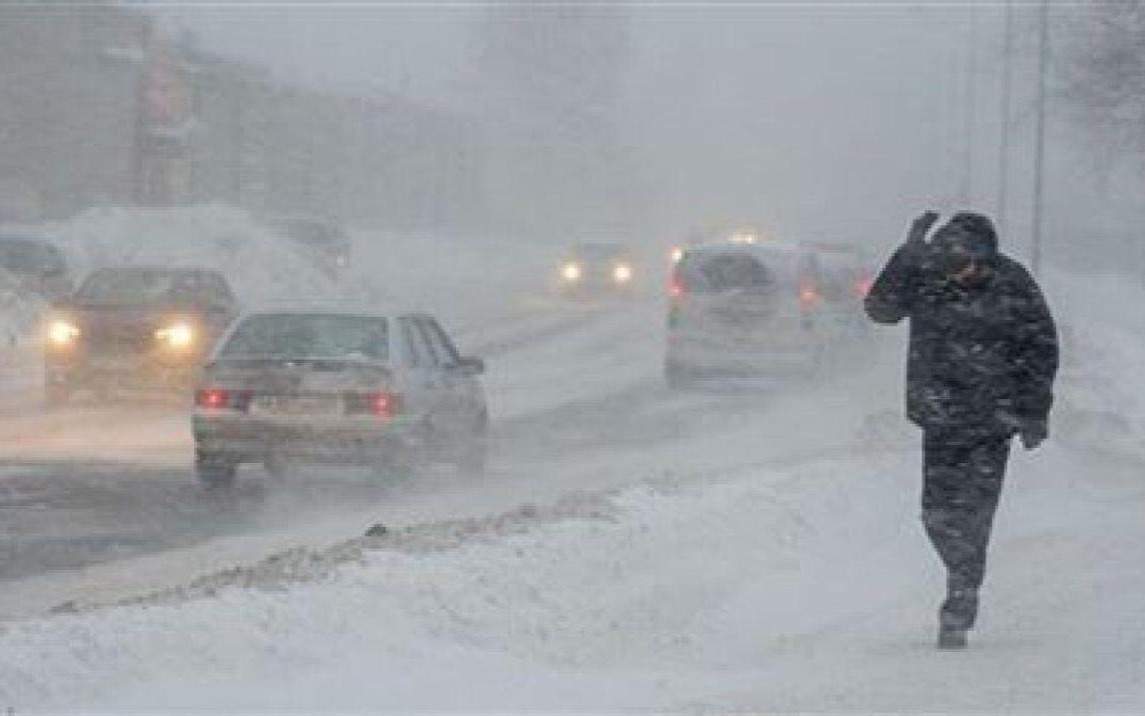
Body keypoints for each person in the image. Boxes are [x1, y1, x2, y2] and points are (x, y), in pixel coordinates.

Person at [865, 211, 1059, 650]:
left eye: (967, 265)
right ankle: (961, 571)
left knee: (975, 513)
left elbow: (1041, 348)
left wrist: (1034, 412)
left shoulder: (1013, 284)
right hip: (941, 415)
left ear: (985, 257)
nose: (960, 274)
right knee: (935, 512)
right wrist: (906, 255)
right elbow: (880, 310)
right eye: (952, 266)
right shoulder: (928, 276)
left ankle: (961, 594)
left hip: (994, 420)